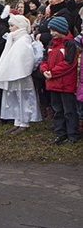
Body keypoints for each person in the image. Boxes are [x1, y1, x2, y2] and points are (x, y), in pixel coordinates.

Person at [0, 14, 41, 134]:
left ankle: (24, 122)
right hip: (13, 73)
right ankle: (17, 121)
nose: (10, 28)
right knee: (14, 97)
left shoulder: (23, 40)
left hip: (21, 74)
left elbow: (25, 58)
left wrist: (19, 70)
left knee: (23, 97)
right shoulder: (14, 39)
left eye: (12, 26)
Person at [39, 16, 81, 144]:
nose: (51, 33)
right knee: (57, 109)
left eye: (54, 30)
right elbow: (44, 60)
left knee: (69, 110)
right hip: (53, 83)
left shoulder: (70, 44)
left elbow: (69, 63)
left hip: (65, 83)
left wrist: (53, 72)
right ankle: (60, 133)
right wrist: (44, 70)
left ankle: (72, 134)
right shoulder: (51, 44)